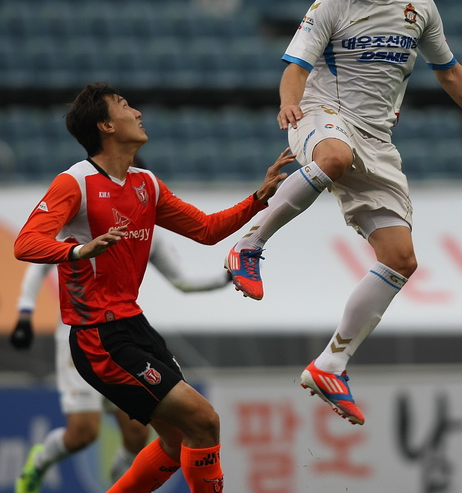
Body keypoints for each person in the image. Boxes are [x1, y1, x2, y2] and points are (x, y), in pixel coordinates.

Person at [225, 0, 462, 426]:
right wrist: (288, 103)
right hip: (321, 114)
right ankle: (248, 245)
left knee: (401, 258)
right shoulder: (332, 3)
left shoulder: (420, 7)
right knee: (333, 158)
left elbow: (450, 72)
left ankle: (331, 364)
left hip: (376, 139)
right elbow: (295, 67)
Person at [14, 81, 295, 493]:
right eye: (125, 105)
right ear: (106, 125)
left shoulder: (146, 183)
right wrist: (78, 251)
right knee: (204, 420)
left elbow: (206, 230)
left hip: (135, 325)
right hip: (98, 336)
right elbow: (25, 243)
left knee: (177, 439)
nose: (138, 112)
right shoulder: (75, 182)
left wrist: (257, 197)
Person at [11, 228, 232, 493]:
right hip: (81, 339)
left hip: (123, 340)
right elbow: (39, 262)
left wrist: (228, 277)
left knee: (139, 435)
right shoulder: (83, 218)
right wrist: (25, 311)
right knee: (83, 434)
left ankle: (116, 484)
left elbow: (182, 280)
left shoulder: (149, 230)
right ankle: (39, 462)